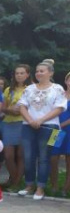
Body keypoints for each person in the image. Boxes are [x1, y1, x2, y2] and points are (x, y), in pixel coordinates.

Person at [17, 59, 68, 200]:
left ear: (50, 72)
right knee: (28, 157)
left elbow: (59, 108)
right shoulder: (29, 89)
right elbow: (22, 106)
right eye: (37, 71)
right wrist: (30, 120)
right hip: (28, 126)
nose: (38, 73)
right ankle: (29, 185)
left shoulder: (57, 89)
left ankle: (41, 188)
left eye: (42, 71)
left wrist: (40, 120)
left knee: (45, 158)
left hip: (49, 127)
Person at [1, 64, 31, 192]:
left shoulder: (31, 89)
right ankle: (14, 180)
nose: (19, 75)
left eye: (22, 73)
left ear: (27, 74)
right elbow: (3, 108)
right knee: (8, 155)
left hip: (24, 123)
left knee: (21, 155)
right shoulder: (9, 89)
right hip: (9, 123)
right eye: (17, 73)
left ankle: (16, 183)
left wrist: (22, 111)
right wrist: (10, 109)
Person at [49, 72, 70, 196]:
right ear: (66, 80)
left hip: (67, 130)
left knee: (69, 160)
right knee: (53, 157)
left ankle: (65, 189)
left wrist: (61, 125)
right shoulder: (59, 95)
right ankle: (54, 185)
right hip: (56, 131)